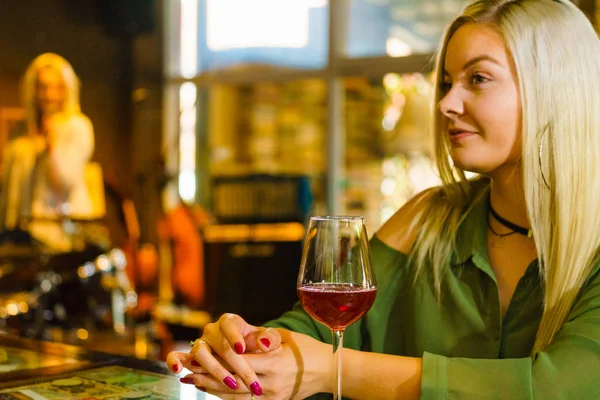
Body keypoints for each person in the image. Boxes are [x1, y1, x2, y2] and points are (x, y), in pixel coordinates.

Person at [167, 0, 600, 398]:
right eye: (447, 82)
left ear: (555, 89)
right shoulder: (426, 218)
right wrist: (245, 347)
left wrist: (336, 370)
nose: (447, 102)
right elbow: (316, 332)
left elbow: (557, 389)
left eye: (479, 79)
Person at [0, 53, 95, 249]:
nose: (49, 95)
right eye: (43, 87)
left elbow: (65, 182)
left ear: (66, 89)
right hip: (25, 231)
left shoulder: (77, 126)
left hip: (61, 231)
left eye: (56, 87)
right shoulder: (23, 129)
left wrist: (52, 144)